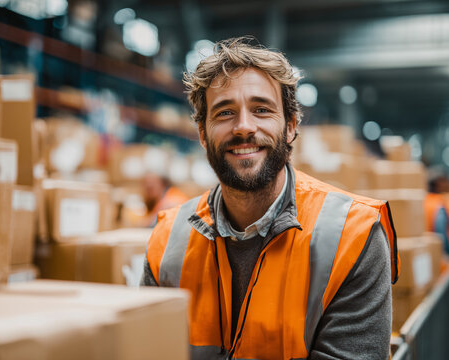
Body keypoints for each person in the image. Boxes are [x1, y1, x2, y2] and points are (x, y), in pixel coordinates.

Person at [140, 37, 399, 360]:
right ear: (203, 135)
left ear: (290, 126)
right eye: (224, 113)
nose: (244, 127)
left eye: (261, 110)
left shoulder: (354, 236)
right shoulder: (166, 241)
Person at [424, 171, 449, 255]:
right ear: (439, 185)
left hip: (428, 248)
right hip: (442, 252)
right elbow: (440, 230)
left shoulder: (426, 200)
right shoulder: (441, 202)